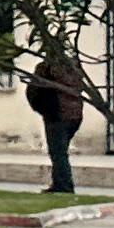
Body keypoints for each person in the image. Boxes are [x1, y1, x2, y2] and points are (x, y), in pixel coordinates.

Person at [25, 47, 91, 196]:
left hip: (56, 115)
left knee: (58, 153)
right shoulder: (74, 69)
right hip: (75, 116)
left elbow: (34, 90)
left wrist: (40, 108)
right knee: (60, 151)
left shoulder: (46, 69)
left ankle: (64, 185)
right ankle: (59, 183)